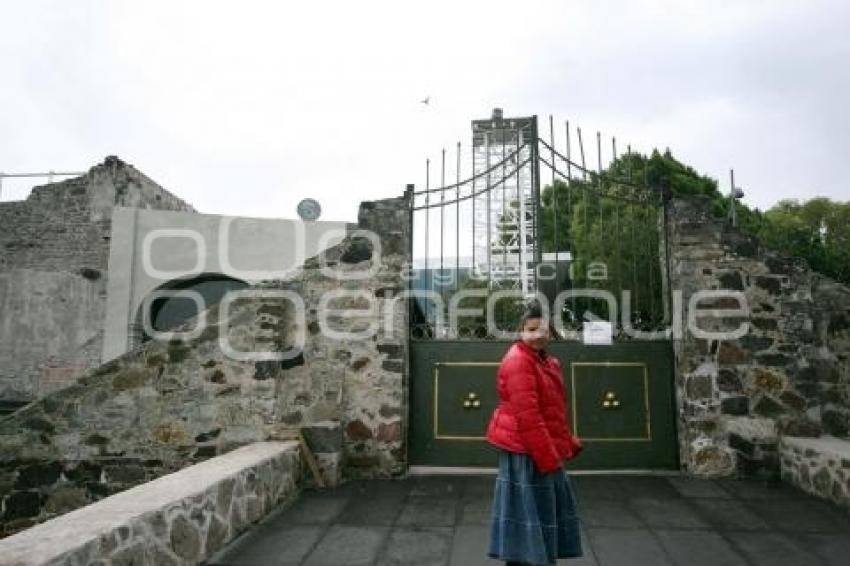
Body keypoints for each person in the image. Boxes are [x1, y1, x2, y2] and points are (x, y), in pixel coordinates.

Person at [485, 302, 584, 565]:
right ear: (521, 331)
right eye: (531, 329)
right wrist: (550, 459)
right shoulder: (519, 362)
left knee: (534, 515)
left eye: (543, 329)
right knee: (527, 515)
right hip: (526, 451)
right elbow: (528, 418)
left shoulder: (547, 361)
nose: (538, 335)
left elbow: (552, 411)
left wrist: (565, 441)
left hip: (539, 448)